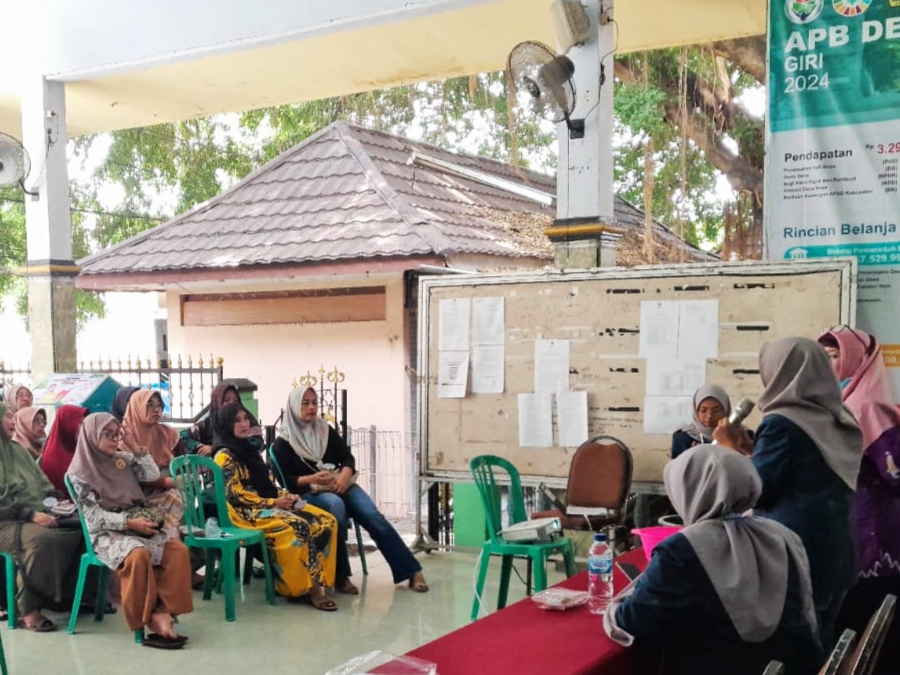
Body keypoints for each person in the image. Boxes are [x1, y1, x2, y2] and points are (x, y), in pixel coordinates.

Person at [605, 445, 823, 675]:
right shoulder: (781, 534)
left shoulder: (683, 549)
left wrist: (615, 605)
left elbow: (634, 620)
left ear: (688, 490)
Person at [715, 336, 863, 649]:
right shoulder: (835, 415)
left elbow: (758, 491)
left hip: (800, 556)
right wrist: (748, 448)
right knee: (822, 645)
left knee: (799, 653)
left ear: (783, 372)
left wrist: (728, 447)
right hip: (835, 551)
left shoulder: (783, 421)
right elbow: (803, 471)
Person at [272, 386, 428, 594]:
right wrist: (313, 478)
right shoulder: (282, 443)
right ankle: (341, 576)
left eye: (314, 402)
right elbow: (286, 482)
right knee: (335, 507)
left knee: (371, 514)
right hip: (307, 496)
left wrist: (344, 477)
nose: (311, 408)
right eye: (305, 403)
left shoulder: (325, 431)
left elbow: (347, 458)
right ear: (293, 406)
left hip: (340, 484)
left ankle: (411, 571)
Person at [67, 413, 192, 648]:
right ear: (92, 436)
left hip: (137, 523)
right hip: (106, 532)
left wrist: (135, 447)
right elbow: (94, 518)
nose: (115, 440)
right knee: (137, 555)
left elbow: (152, 476)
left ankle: (162, 611)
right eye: (108, 434)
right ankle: (147, 618)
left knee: (176, 550)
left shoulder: (122, 460)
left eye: (117, 434)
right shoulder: (79, 473)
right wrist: (128, 523)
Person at [819, 326, 900, 673]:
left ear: (857, 359)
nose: (828, 364)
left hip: (875, 539)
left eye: (835, 355)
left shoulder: (864, 406)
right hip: (854, 531)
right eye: (822, 357)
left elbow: (894, 472)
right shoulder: (840, 402)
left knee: (870, 631)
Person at [214, 402, 339, 610]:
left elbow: (268, 485)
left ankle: (320, 580)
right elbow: (236, 496)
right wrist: (274, 503)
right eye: (237, 420)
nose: (244, 424)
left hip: (267, 504)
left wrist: (286, 497)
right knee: (299, 526)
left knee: (326, 520)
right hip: (245, 513)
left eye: (246, 418)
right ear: (226, 425)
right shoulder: (224, 456)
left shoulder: (249, 450)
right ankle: (303, 588)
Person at [0, 403, 83, 632]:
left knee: (77, 531)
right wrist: (30, 514)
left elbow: (41, 482)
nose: (12, 421)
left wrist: (57, 501)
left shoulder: (17, 450)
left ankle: (62, 597)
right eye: (7, 416)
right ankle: (28, 610)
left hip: (31, 514)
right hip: (5, 520)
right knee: (40, 540)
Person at [122, 389, 187, 527]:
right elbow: (135, 479)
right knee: (178, 499)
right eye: (150, 405)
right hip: (138, 497)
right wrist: (171, 482)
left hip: (169, 489)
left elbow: (183, 463)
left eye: (159, 405)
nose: (156, 410)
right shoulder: (125, 439)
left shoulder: (168, 433)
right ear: (137, 407)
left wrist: (187, 478)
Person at [180, 382, 259, 456]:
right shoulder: (210, 422)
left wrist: (216, 448)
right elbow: (185, 435)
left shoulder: (246, 418)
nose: (232, 403)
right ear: (217, 401)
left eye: (236, 400)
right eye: (226, 400)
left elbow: (257, 443)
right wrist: (199, 446)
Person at [38, 405, 89, 493]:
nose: (83, 427)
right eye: (79, 422)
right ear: (67, 424)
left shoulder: (76, 448)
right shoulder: (54, 457)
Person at [672, 385, 732, 459]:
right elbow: (676, 468)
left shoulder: (738, 435)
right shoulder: (683, 436)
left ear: (726, 411)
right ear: (696, 411)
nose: (709, 415)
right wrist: (691, 458)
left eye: (716, 411)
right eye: (703, 410)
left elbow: (746, 467)